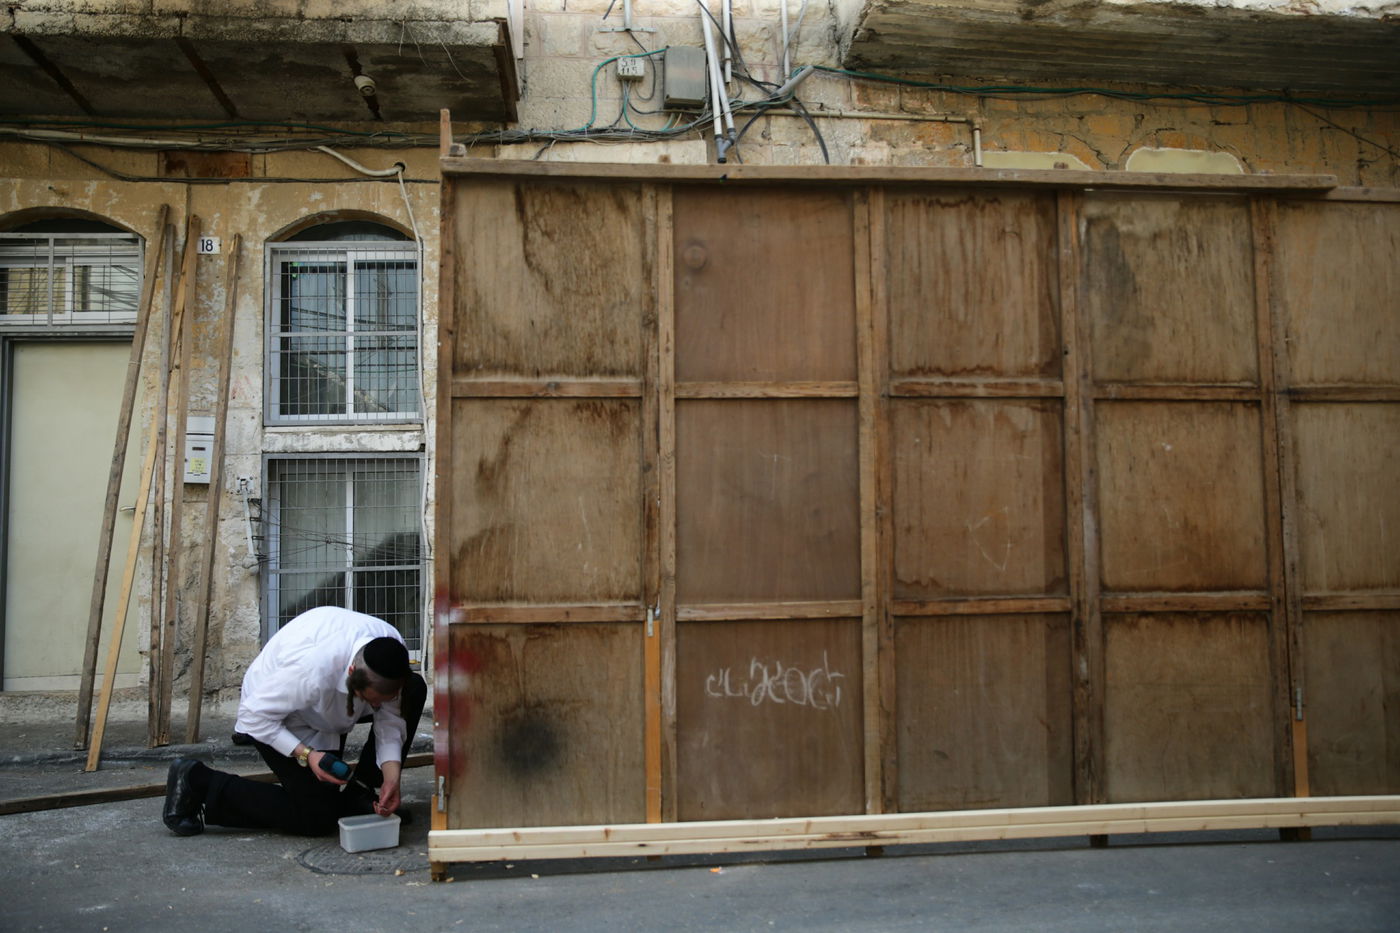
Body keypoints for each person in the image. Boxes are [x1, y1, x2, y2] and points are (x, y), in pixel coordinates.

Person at [162, 605, 427, 837]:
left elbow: (391, 721)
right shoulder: (310, 671)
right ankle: (196, 780)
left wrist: (391, 777)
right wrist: (307, 755)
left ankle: (362, 792)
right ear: (352, 673)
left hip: (327, 706)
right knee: (316, 818)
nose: (377, 709)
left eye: (383, 700)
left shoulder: (391, 654)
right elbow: (253, 716)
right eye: (370, 700)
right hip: (276, 714)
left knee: (414, 688)